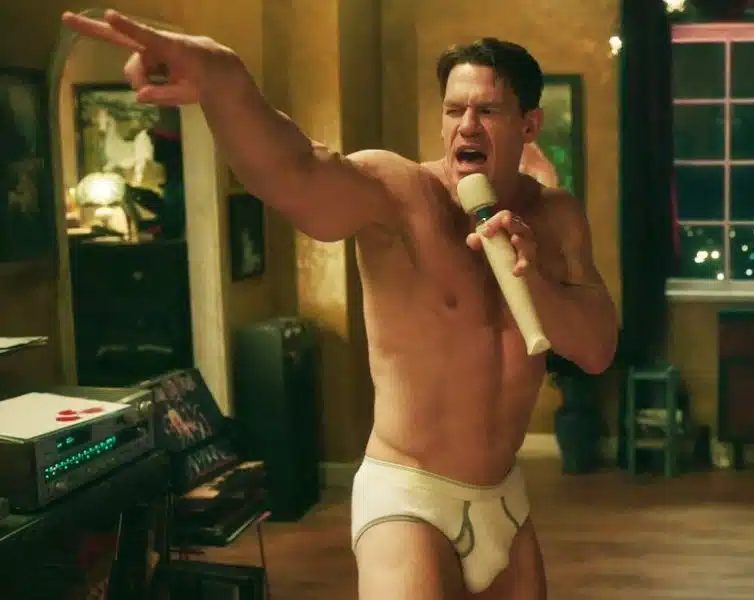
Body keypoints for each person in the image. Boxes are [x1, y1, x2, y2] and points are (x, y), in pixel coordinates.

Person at [62, 10, 618, 599]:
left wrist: (533, 279)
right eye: (454, 110)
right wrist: (223, 82)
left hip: (504, 498)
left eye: (488, 111)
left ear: (529, 124)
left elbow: (597, 349)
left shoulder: (556, 216)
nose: (467, 127)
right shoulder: (400, 193)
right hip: (411, 497)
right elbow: (295, 169)